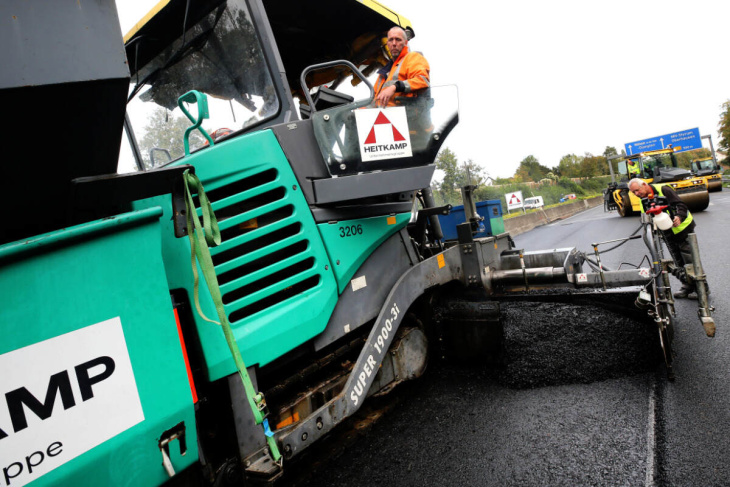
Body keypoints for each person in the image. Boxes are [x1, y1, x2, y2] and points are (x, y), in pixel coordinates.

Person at [628, 178, 710, 302]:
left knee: (690, 260)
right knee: (678, 261)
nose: (637, 194)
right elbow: (646, 216)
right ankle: (687, 285)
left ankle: (703, 288)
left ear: (644, 185)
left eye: (637, 190)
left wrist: (679, 216)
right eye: (634, 193)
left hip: (682, 229)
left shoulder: (663, 189)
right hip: (667, 232)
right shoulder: (642, 199)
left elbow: (680, 204)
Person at [373, 26, 430, 108]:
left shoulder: (413, 57)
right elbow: (373, 99)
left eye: (398, 39)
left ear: (406, 43)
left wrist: (394, 87)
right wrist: (356, 112)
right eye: (390, 40)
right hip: (383, 117)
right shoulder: (385, 72)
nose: (394, 44)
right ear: (387, 43)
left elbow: (422, 80)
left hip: (408, 116)